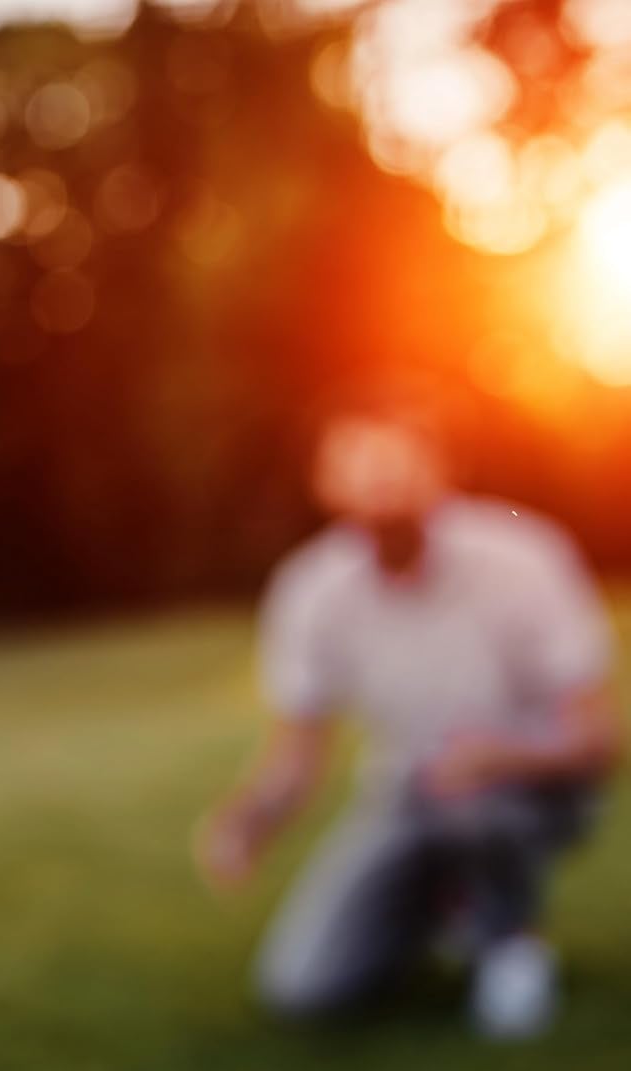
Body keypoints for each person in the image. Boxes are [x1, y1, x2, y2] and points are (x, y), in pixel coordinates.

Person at [195, 378, 620, 1037]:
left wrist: (497, 757)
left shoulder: (524, 556)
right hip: (408, 797)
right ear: (324, 482)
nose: (381, 484)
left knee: (472, 806)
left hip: (534, 791)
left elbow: (599, 740)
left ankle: (509, 945)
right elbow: (299, 754)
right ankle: (437, 908)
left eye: (398, 464)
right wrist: (251, 820)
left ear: (443, 469)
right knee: (304, 990)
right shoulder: (312, 591)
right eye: (359, 466)